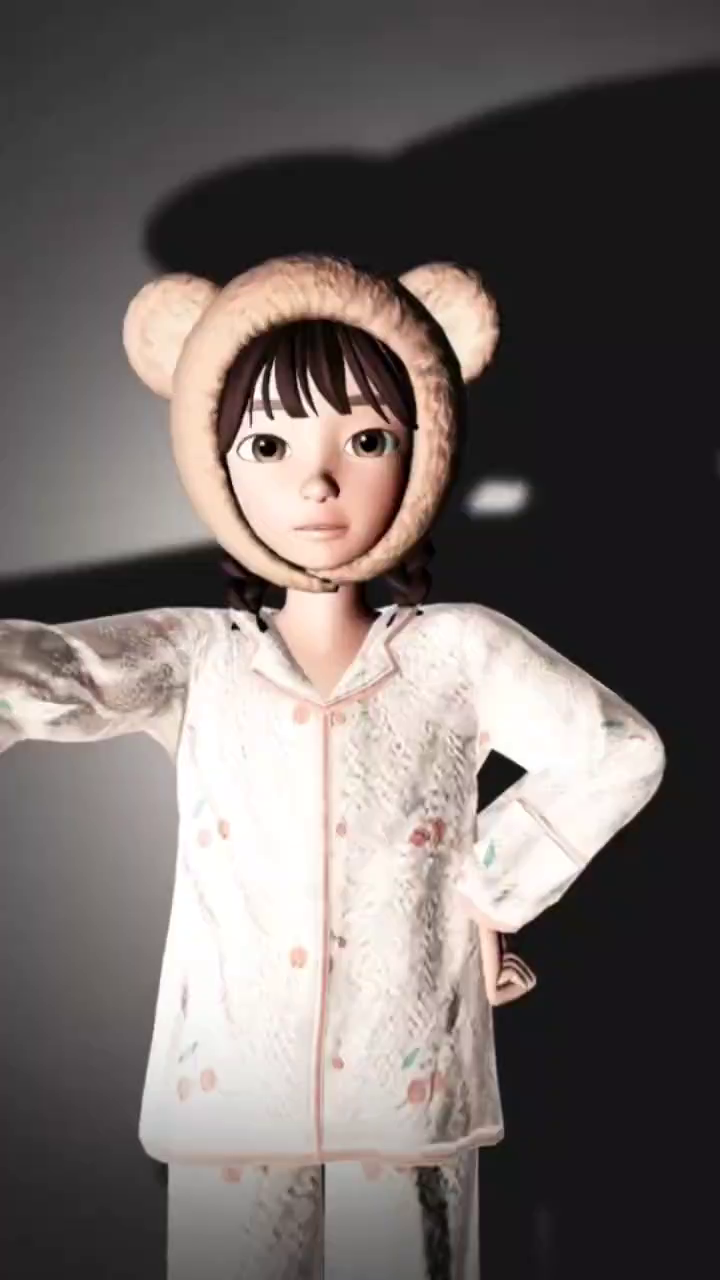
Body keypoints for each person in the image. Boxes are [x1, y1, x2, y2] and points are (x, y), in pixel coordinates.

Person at [0, 255, 665, 1279]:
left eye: (366, 439)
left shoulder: (459, 650)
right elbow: (57, 672)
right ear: (219, 463)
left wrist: (488, 887)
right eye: (269, 444)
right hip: (231, 1086)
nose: (317, 483)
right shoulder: (201, 655)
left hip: (410, 1082)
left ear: (421, 451)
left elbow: (618, 748)